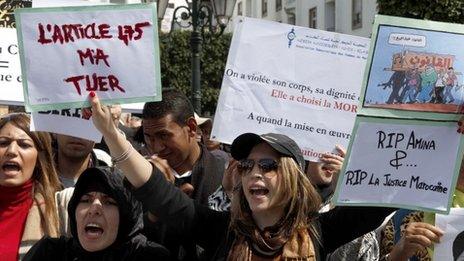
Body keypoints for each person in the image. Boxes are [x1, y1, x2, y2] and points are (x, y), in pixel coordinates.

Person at [89, 91, 395, 261]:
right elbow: (156, 190)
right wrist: (111, 134)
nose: (254, 174)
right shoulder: (222, 232)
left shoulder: (319, 231)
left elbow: (394, 192)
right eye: (247, 166)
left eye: (268, 166)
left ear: (291, 176)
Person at [23, 166, 170, 260]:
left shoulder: (150, 256)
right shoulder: (50, 253)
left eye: (109, 202)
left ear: (128, 215)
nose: (94, 209)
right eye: (86, 200)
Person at [141, 89, 224, 205]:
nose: (156, 147)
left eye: (164, 135)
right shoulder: (141, 179)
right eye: (149, 137)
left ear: (191, 128)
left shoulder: (224, 176)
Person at [0, 113, 61, 260]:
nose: (12, 151)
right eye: (3, 143)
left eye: (24, 144)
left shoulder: (59, 210)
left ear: (39, 157)